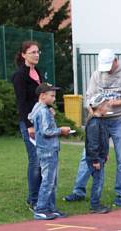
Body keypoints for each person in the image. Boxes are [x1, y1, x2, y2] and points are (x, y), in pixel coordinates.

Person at [64, 49, 121, 207]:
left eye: (109, 66)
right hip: (100, 121)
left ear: (116, 61)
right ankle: (78, 191)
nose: (106, 70)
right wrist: (94, 115)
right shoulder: (96, 75)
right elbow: (89, 99)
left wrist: (117, 102)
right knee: (87, 155)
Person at [29, 83, 72, 220]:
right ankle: (41, 208)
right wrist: (61, 130)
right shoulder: (43, 111)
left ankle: (51, 208)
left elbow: (31, 117)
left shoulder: (39, 108)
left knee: (52, 180)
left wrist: (50, 114)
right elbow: (47, 131)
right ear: (42, 96)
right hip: (48, 149)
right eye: (52, 96)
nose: (54, 98)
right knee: (48, 180)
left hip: (45, 149)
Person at [11, 41, 43, 212]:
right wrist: (29, 125)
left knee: (43, 159)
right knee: (35, 159)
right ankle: (33, 199)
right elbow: (22, 103)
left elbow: (42, 97)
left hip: (41, 121)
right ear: (23, 55)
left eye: (38, 52)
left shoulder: (37, 72)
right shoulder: (20, 75)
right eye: (32, 52)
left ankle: (42, 197)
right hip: (29, 123)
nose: (36, 55)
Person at [85, 94, 113, 214]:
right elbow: (93, 143)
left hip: (100, 157)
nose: (108, 107)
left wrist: (105, 154)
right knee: (98, 181)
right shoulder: (94, 123)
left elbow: (104, 139)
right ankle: (95, 205)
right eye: (106, 105)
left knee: (99, 180)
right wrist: (95, 160)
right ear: (100, 107)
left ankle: (96, 203)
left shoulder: (101, 121)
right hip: (95, 159)